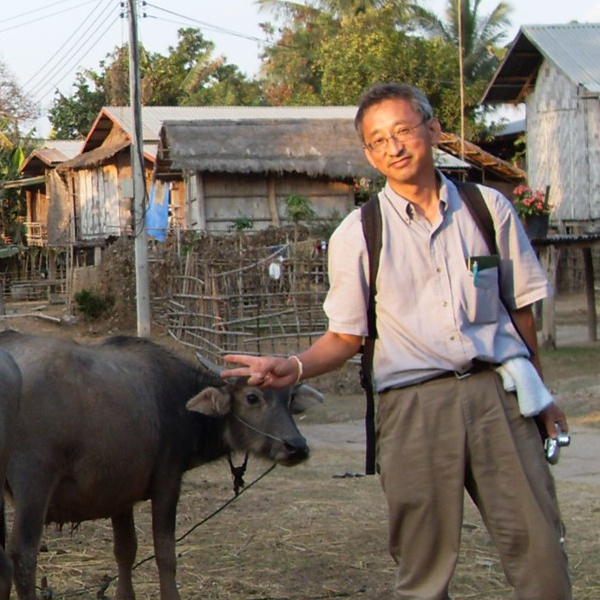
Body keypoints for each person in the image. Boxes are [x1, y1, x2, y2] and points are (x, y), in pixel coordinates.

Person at [221, 82, 572, 600]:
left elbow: (520, 311)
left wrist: (542, 398)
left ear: (432, 129)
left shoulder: (487, 209)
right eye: (379, 140)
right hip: (412, 408)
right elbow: (345, 337)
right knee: (423, 571)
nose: (395, 147)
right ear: (368, 152)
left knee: (540, 552)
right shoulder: (358, 233)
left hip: (499, 397)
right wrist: (291, 366)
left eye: (404, 130)